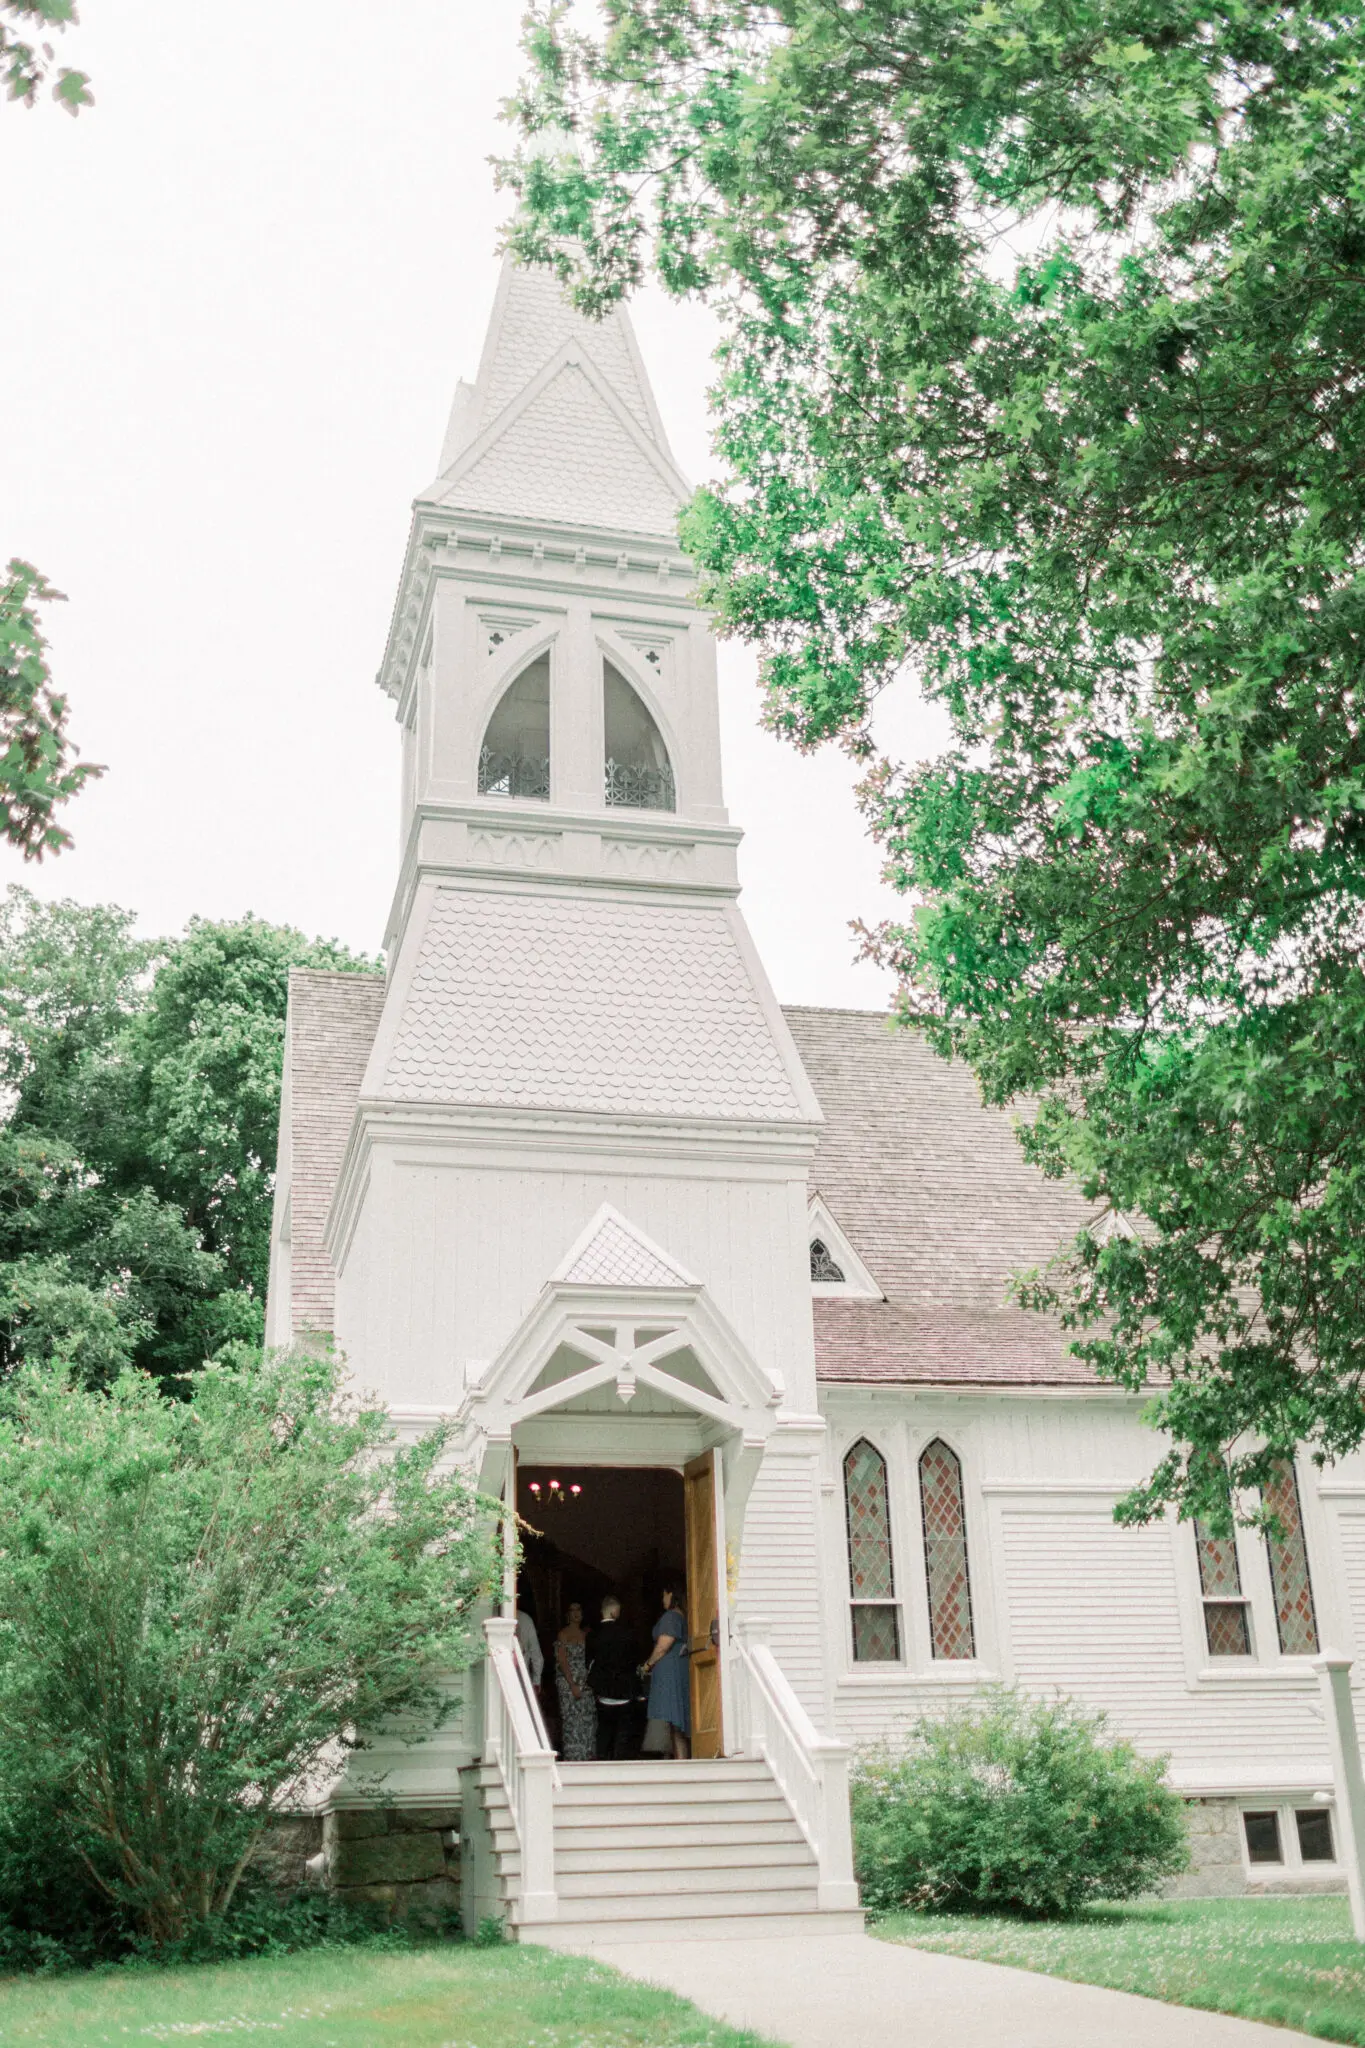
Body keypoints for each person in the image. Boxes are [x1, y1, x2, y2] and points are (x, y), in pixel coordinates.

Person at [587, 1595, 640, 1761]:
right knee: (622, 1736)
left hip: (603, 1693)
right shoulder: (627, 1633)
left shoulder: (592, 1635)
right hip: (624, 1692)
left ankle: (602, 1762)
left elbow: (589, 1664)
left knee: (604, 1732)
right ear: (615, 1611)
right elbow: (634, 1661)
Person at [642, 1583, 690, 1759]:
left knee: (673, 1720)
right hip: (675, 1669)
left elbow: (663, 1645)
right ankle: (678, 1761)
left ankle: (680, 1762)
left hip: (671, 1674)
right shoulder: (681, 1616)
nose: (663, 1599)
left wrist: (648, 1664)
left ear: (671, 1595)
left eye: (664, 1595)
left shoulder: (671, 1616)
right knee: (674, 1725)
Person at [554, 1599, 596, 1761]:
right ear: (568, 1614)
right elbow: (562, 1660)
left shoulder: (586, 1634)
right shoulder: (563, 1634)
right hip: (568, 1682)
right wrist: (572, 1684)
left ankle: (587, 1756)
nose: (576, 1613)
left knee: (587, 1720)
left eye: (579, 1609)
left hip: (585, 1682)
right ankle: (573, 1757)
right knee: (571, 1721)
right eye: (573, 1610)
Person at [514, 1589, 543, 1688]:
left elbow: (536, 1654)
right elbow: (536, 1654)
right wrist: (536, 1682)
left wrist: (536, 1681)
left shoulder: (525, 1620)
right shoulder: (526, 1619)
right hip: (522, 1677)